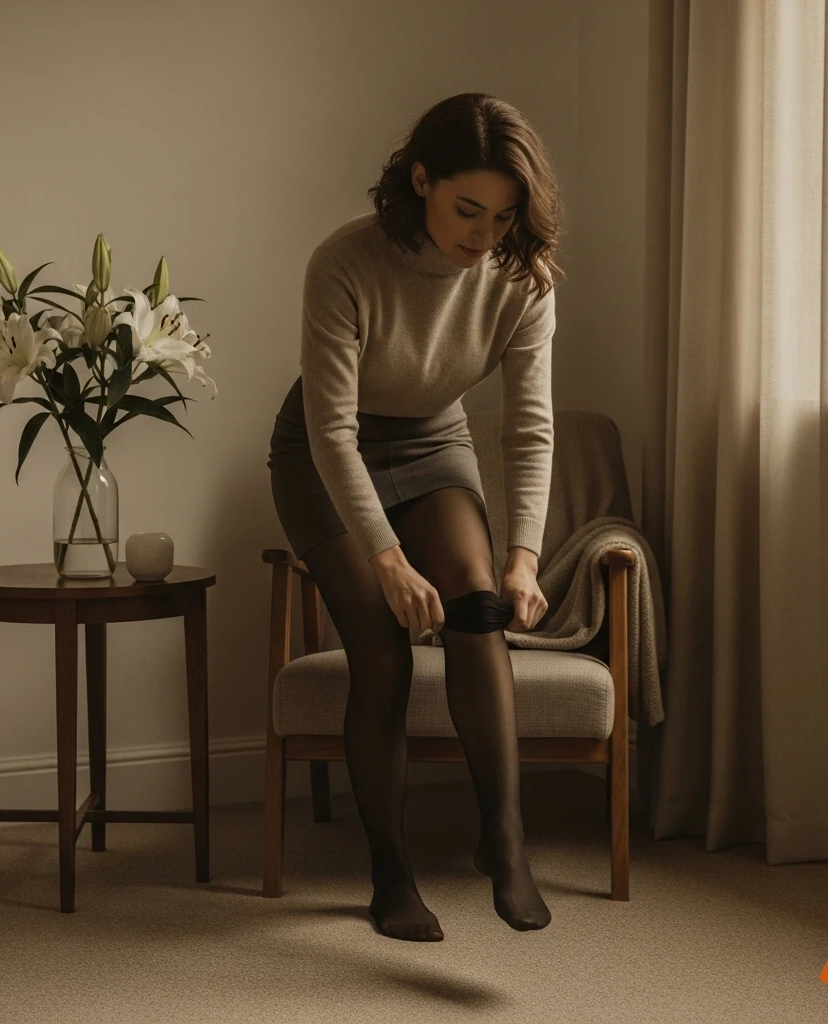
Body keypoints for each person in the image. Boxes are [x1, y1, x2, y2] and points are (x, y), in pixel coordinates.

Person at [267, 92, 565, 942]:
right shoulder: (346, 262)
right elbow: (330, 431)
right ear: (421, 180)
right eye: (467, 210)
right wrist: (388, 558)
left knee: (477, 604)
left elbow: (529, 425)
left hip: (434, 438)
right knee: (381, 645)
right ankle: (390, 874)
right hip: (324, 454)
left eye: (504, 216)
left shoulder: (521, 279)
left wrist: (524, 557)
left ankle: (503, 840)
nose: (484, 235)